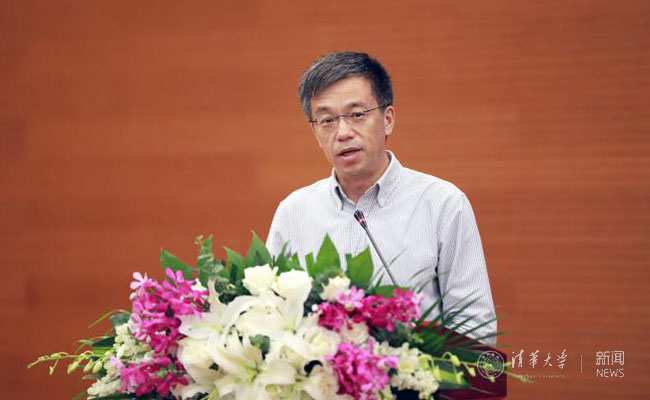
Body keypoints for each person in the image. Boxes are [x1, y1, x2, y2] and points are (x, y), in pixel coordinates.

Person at [266, 52, 497, 344]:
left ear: (387, 120)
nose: (343, 133)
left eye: (357, 115)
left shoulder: (442, 204)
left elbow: (476, 327)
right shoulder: (294, 213)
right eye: (327, 120)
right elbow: (271, 314)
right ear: (315, 132)